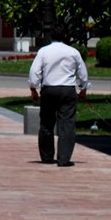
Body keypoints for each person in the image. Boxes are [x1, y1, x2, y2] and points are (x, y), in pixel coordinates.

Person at [28, 24, 90, 167]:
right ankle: (64, 159)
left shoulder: (44, 51)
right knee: (67, 124)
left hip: (49, 89)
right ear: (66, 36)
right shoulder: (73, 52)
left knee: (46, 123)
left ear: (51, 36)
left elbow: (34, 72)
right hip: (68, 89)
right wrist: (83, 89)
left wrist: (33, 88)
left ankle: (47, 156)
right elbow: (83, 74)